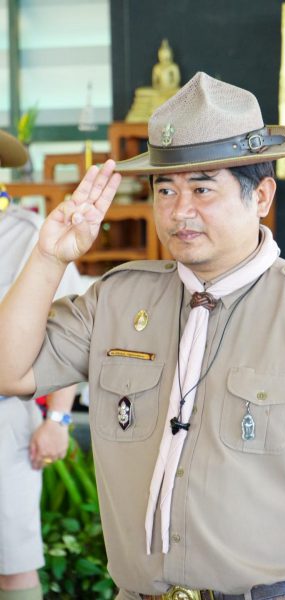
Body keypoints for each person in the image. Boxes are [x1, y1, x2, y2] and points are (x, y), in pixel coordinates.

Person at [0, 72, 285, 600]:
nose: (179, 210)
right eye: (165, 189)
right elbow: (9, 372)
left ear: (261, 195)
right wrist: (50, 257)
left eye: (203, 188)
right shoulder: (116, 300)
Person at [0, 131, 81, 600]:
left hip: (6, 419)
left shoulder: (33, 236)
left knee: (12, 564)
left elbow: (67, 337)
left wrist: (58, 420)